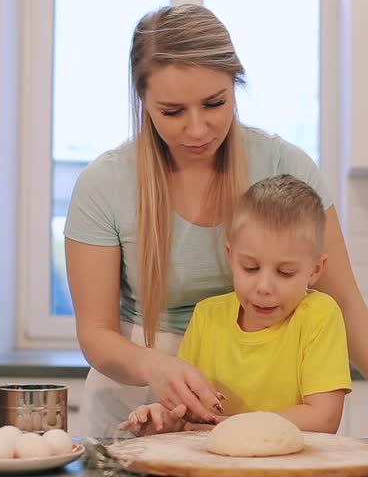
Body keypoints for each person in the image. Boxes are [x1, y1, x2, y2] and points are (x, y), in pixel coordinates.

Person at [64, 3, 368, 438]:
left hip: (274, 393)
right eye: (172, 112)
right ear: (143, 100)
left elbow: (343, 300)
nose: (197, 129)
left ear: (235, 83)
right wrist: (155, 365)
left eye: (215, 103)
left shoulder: (281, 164)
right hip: (141, 391)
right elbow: (96, 332)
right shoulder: (104, 184)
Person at [119, 175, 351, 436]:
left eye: (285, 272)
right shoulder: (208, 316)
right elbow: (189, 411)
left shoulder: (320, 315)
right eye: (250, 268)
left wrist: (234, 425)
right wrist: (165, 420)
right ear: (230, 255)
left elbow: (324, 418)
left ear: (315, 270)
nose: (264, 286)